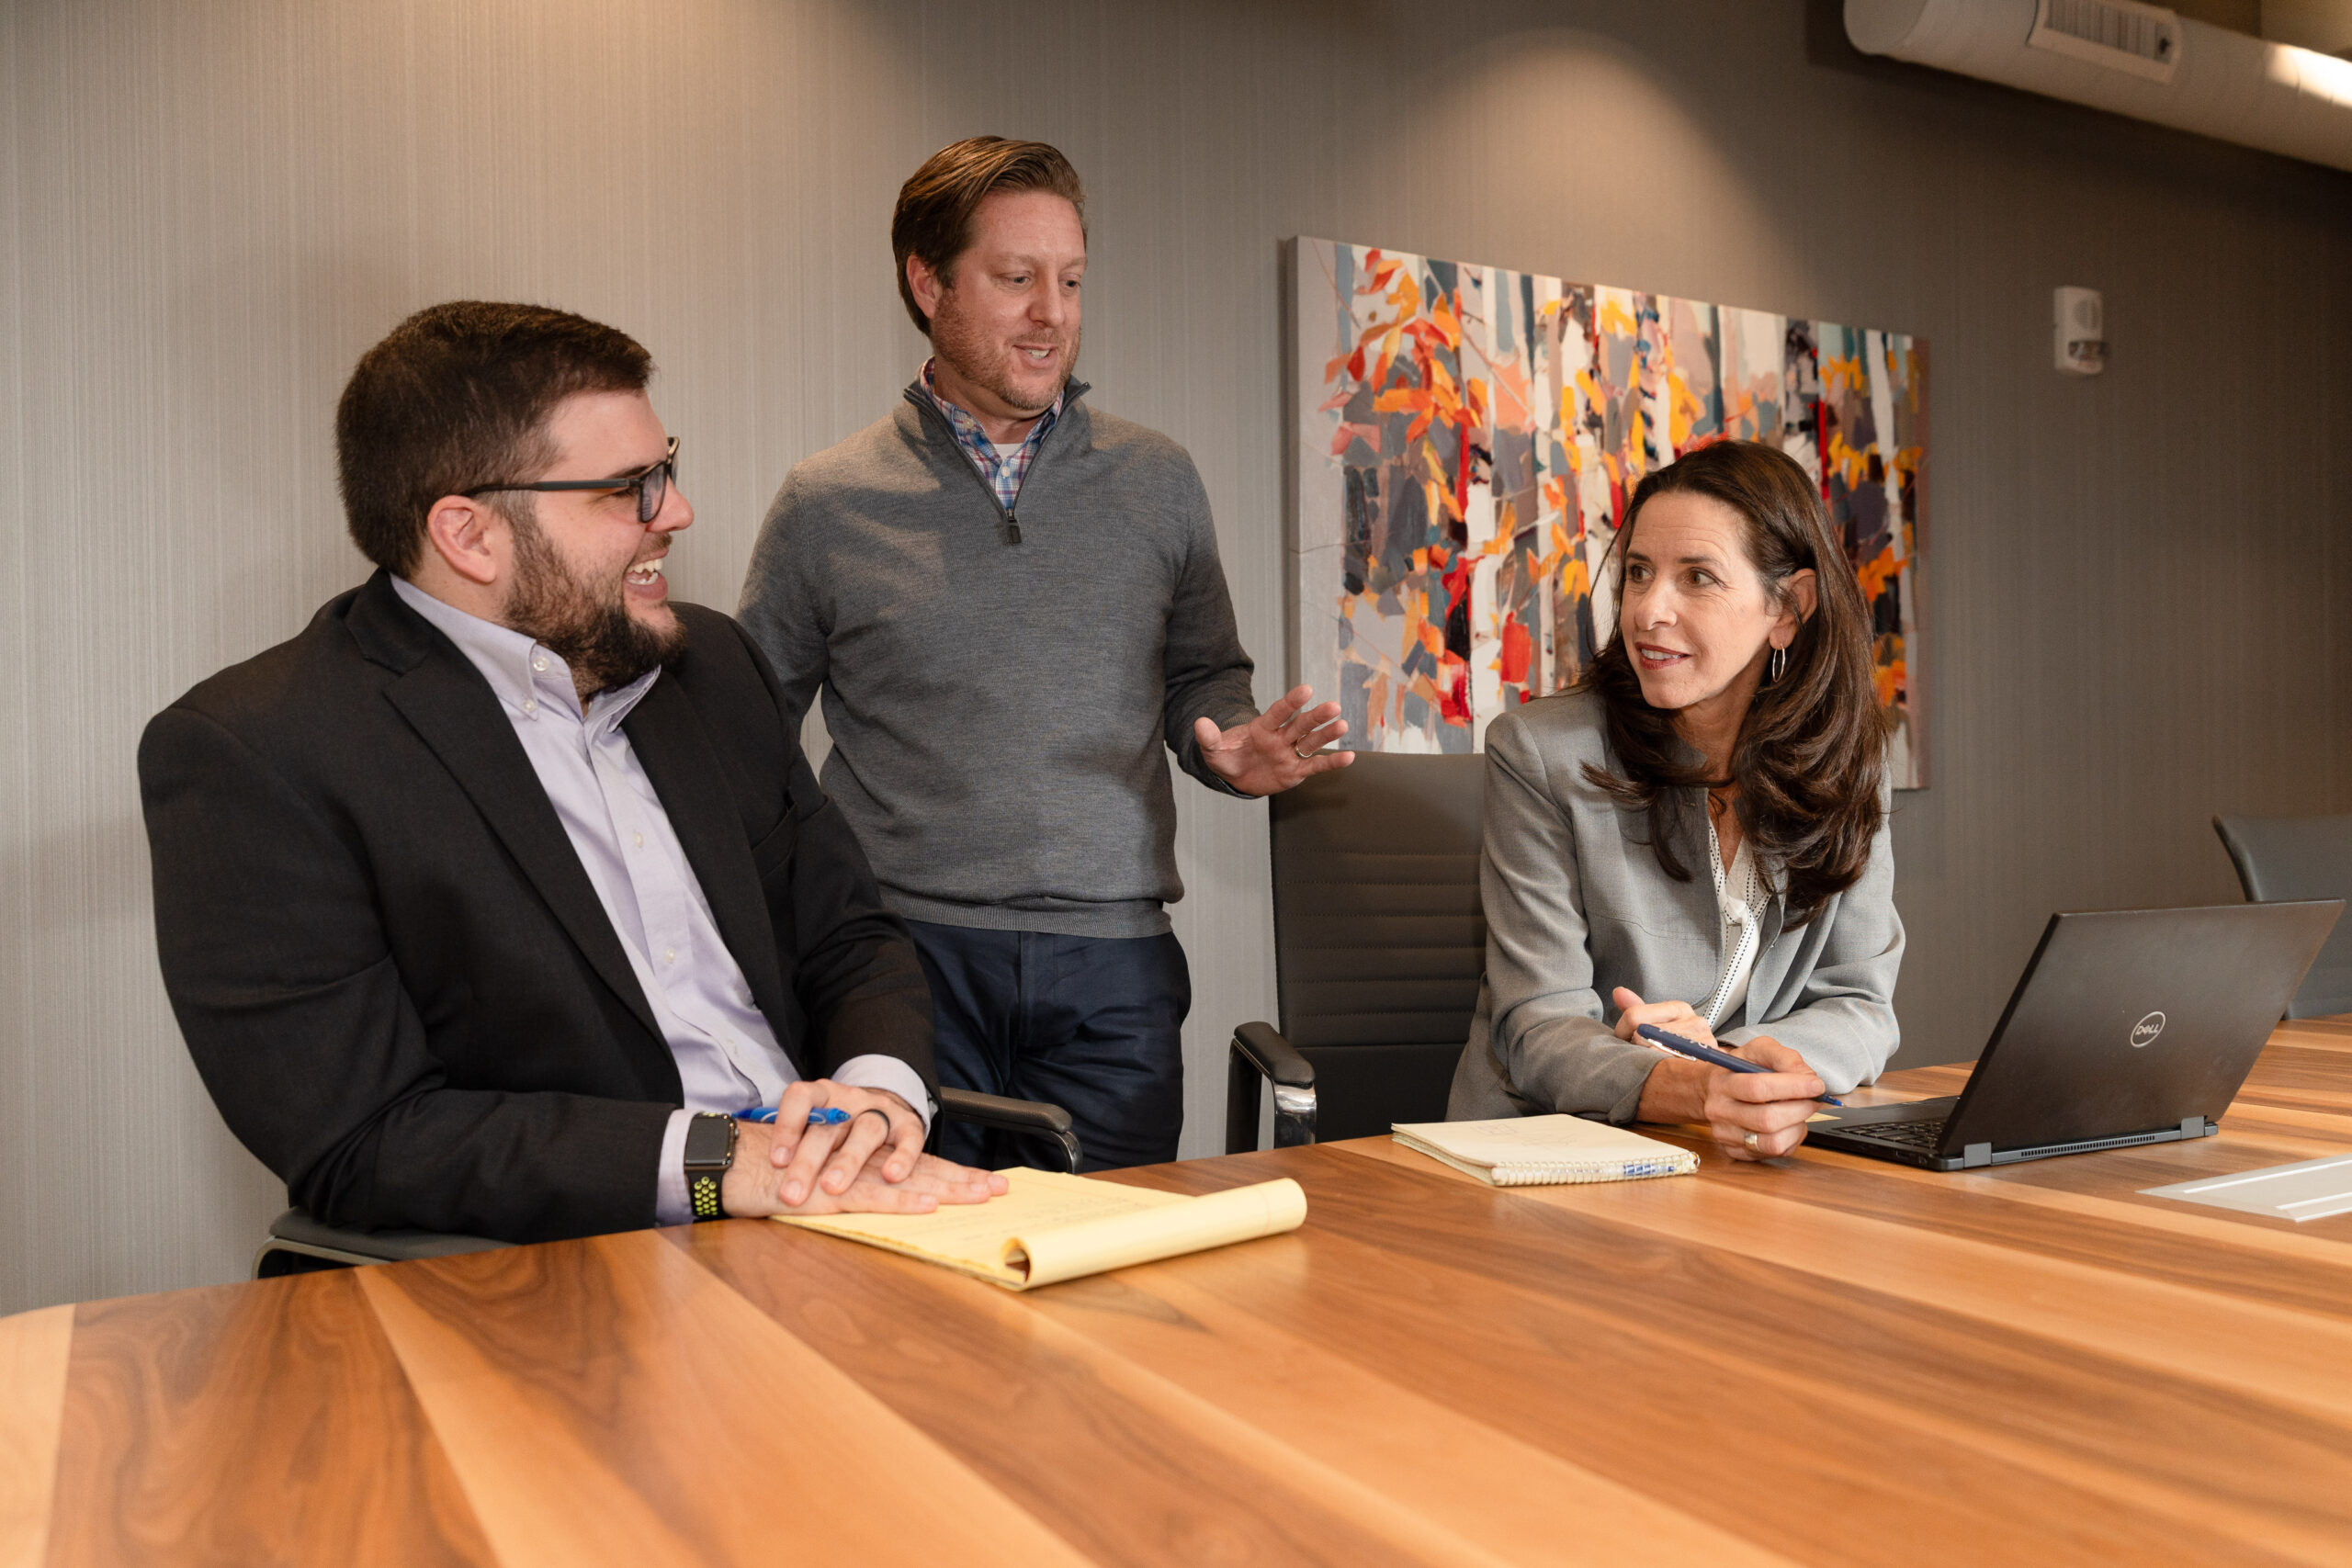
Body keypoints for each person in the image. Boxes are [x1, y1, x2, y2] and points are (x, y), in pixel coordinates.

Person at [139, 301, 1005, 1242]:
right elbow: (366, 1140)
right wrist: (723, 1164)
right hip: (582, 1269)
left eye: (664, 469)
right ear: (469, 535)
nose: (675, 512)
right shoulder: (259, 752)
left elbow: (848, 936)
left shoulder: (711, 666)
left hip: (837, 1219)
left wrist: (878, 1102)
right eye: (627, 488)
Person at [739, 137, 1350, 1172]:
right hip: (903, 959)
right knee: (908, 1280)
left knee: (1110, 1270)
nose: (1051, 313)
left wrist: (1229, 749)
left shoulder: (1158, 480)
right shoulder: (826, 501)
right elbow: (743, 734)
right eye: (1016, 279)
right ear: (927, 284)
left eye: (1068, 281)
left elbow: (1204, 677)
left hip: (1113, 965)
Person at [1447, 439, 1902, 1159]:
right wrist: (1683, 1081)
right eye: (1637, 573)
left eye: (1697, 577)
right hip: (1545, 1159)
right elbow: (1538, 1025)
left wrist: (1731, 1061)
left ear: (1788, 608)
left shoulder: (1850, 767)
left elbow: (1861, 1004)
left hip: (1729, 1156)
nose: (1649, 610)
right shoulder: (1540, 753)